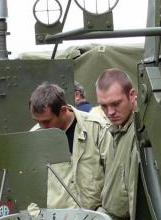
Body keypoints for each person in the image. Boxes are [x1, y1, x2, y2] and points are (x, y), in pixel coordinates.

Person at [30, 82, 107, 210]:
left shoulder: (96, 128)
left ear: (63, 110)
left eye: (47, 121)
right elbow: (31, 186)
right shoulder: (34, 137)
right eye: (38, 121)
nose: (42, 127)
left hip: (95, 218)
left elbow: (112, 175)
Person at [94, 69, 140, 220]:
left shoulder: (138, 134)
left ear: (132, 95)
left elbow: (135, 197)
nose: (110, 112)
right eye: (104, 106)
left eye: (115, 103)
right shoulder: (114, 130)